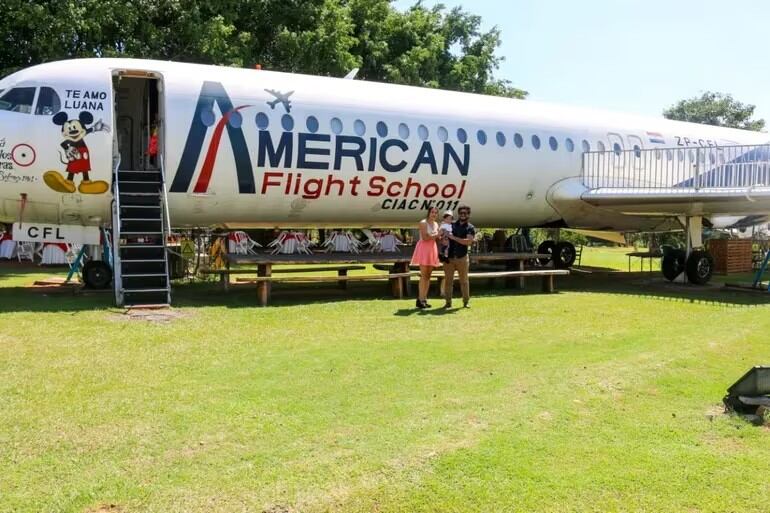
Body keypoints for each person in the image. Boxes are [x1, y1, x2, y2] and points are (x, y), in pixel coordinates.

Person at [443, 204, 476, 308]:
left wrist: (453, 237)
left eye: (465, 213)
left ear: (468, 214)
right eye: (461, 213)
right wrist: (444, 239)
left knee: (464, 281)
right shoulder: (451, 225)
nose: (462, 215)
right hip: (450, 258)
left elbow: (468, 242)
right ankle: (448, 303)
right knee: (448, 281)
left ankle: (466, 302)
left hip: (462, 258)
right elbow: (444, 238)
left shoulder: (470, 227)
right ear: (458, 214)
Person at [410, 206, 441, 308]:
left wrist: (440, 235)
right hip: (424, 249)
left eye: (436, 213)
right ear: (429, 212)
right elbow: (425, 237)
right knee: (424, 275)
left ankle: (424, 299)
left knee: (428, 275)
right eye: (432, 212)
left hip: (432, 249)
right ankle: (420, 299)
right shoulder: (423, 222)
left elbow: (436, 237)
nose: (434, 214)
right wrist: (436, 234)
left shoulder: (436, 224)